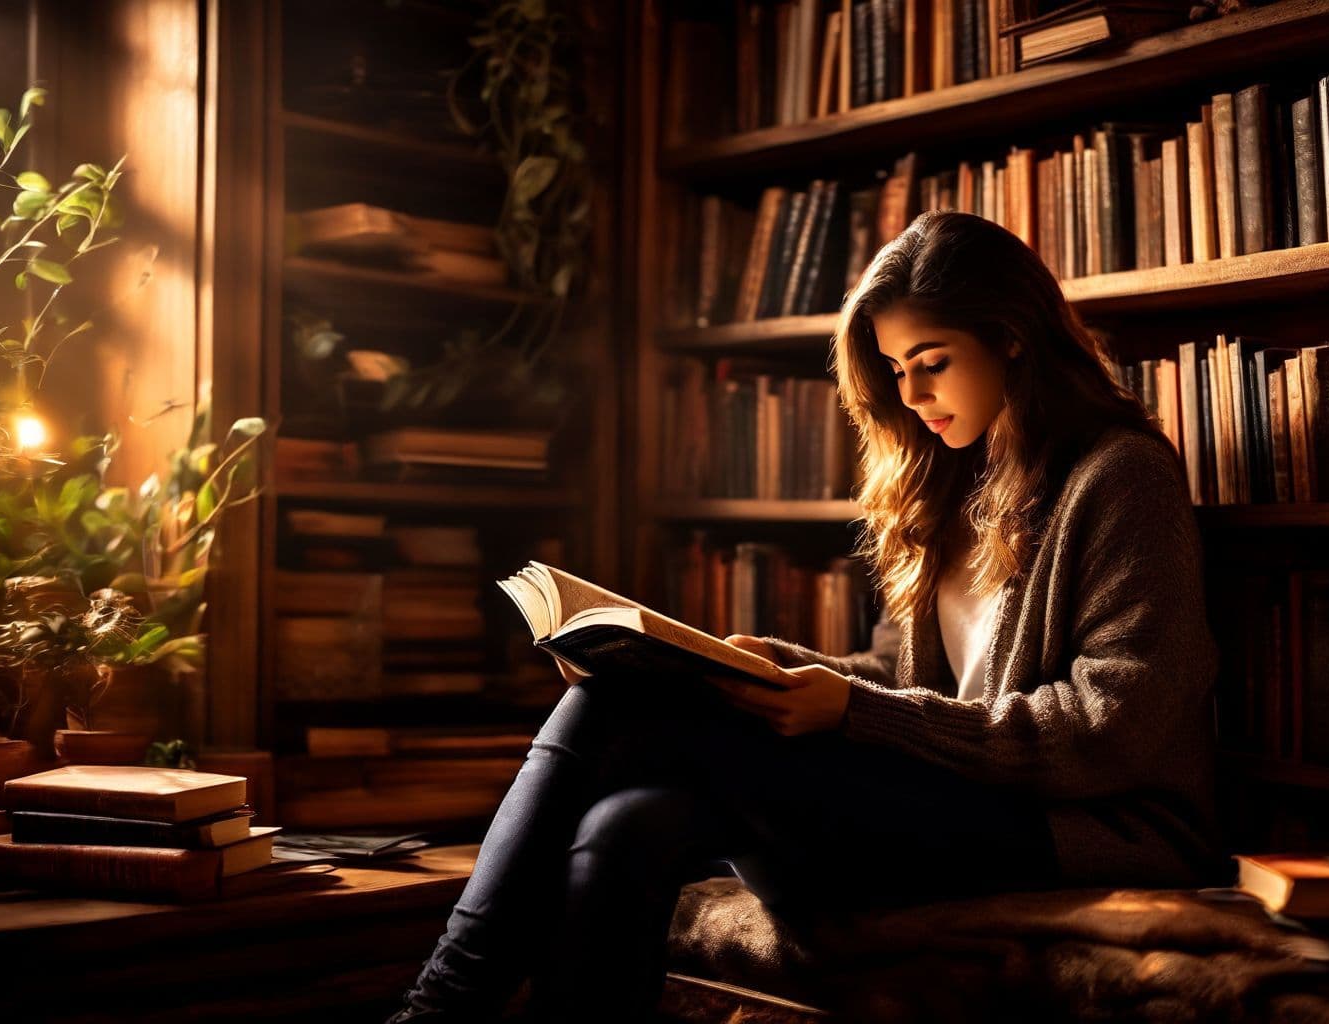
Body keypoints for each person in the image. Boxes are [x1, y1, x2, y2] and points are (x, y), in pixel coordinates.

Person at [384, 210, 1224, 1023]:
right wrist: (754, 663)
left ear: (1011, 337)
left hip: (1075, 830)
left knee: (617, 707)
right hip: (954, 800)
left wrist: (855, 710)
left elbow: (1114, 727)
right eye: (896, 370)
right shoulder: (956, 482)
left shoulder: (1121, 477)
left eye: (931, 360)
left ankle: (440, 1007)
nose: (913, 392)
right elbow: (908, 680)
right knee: (624, 823)